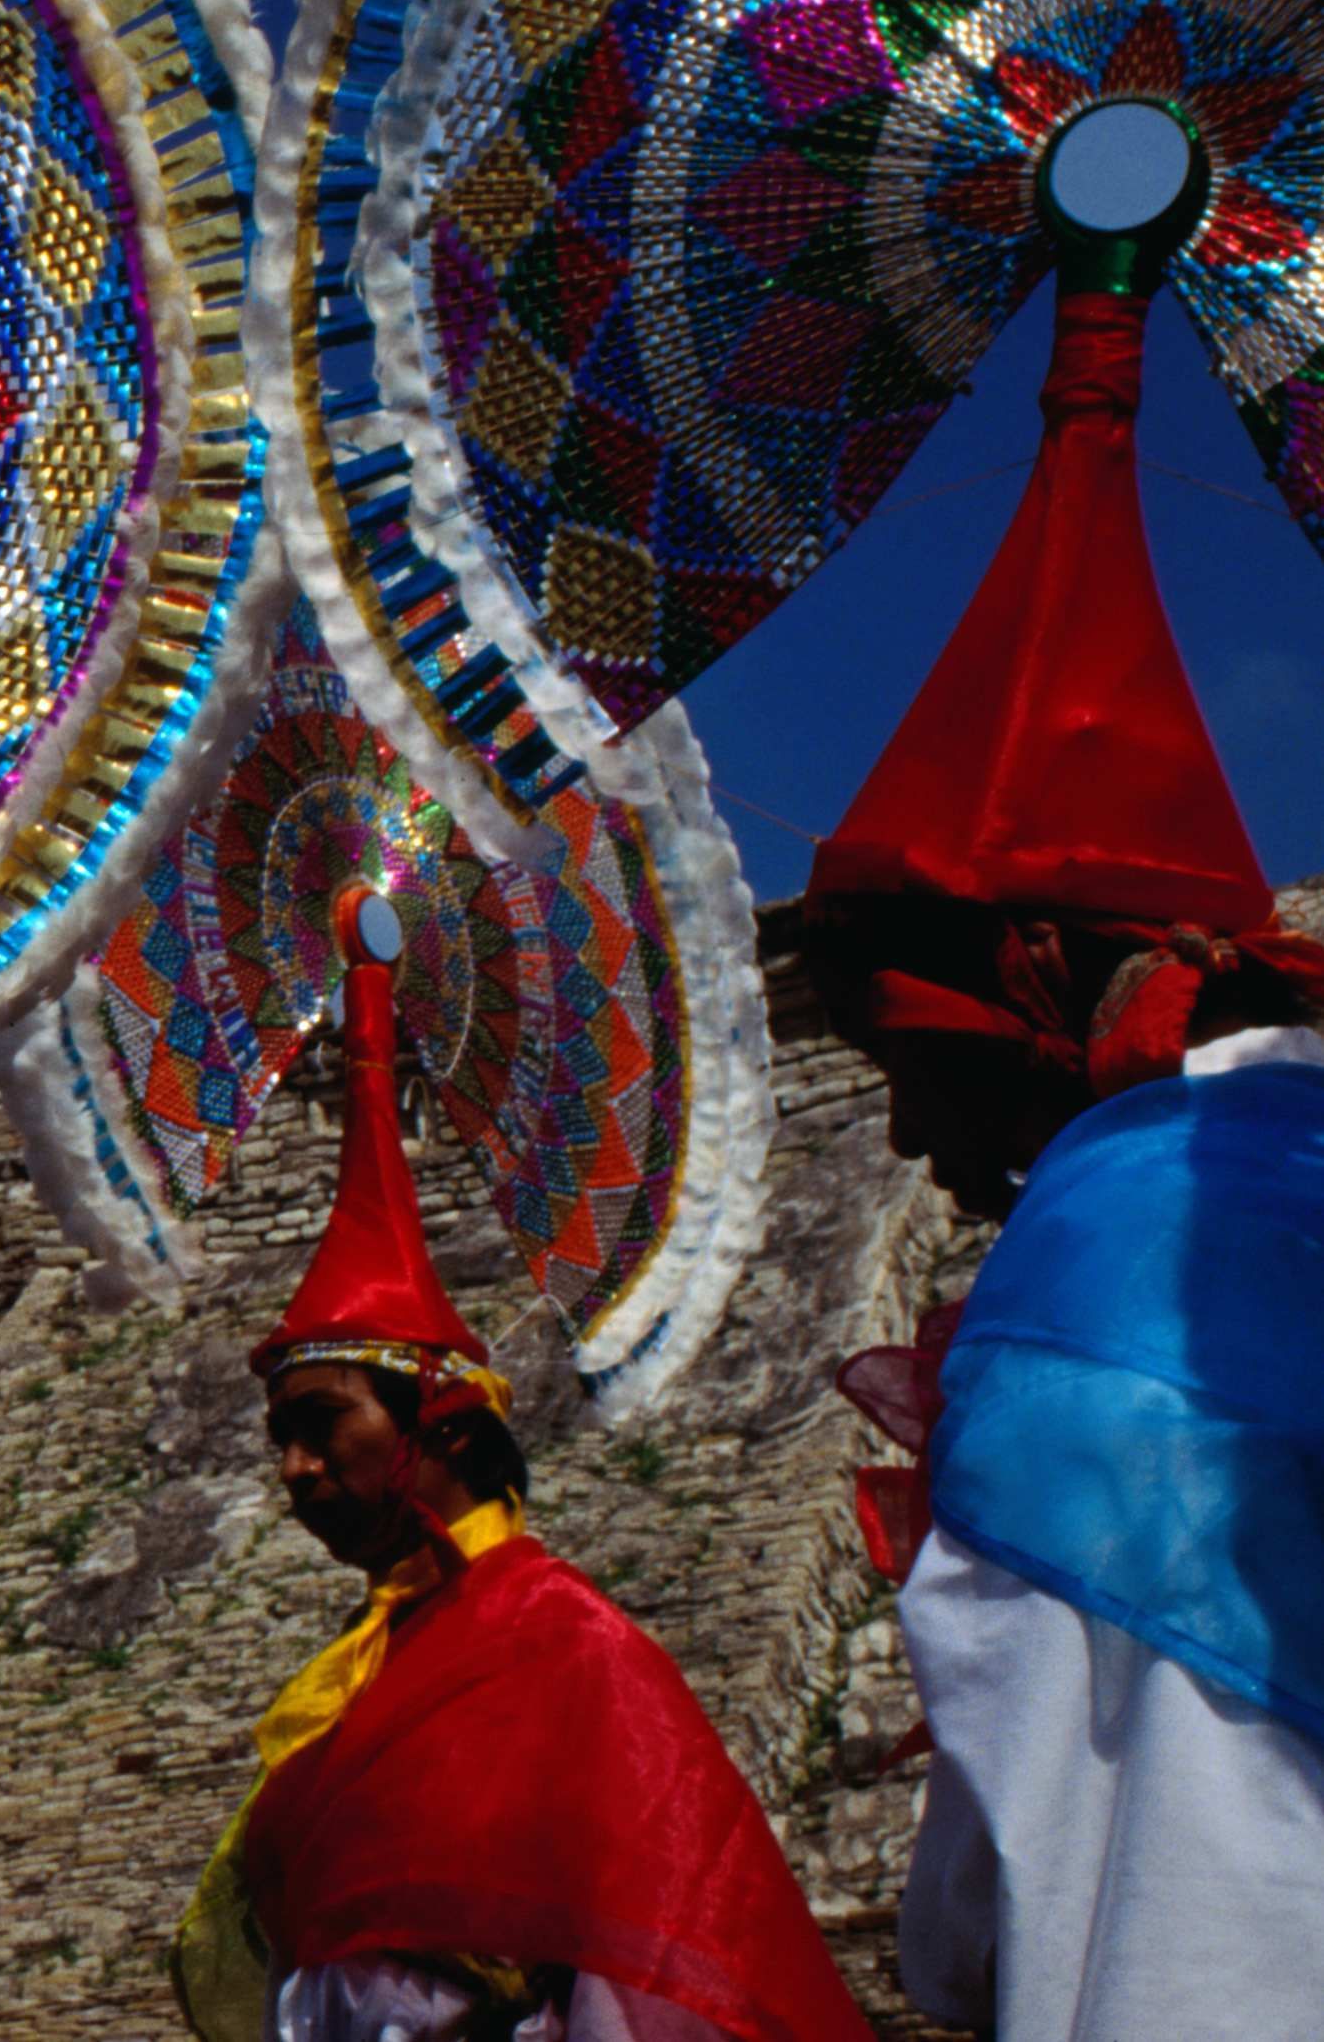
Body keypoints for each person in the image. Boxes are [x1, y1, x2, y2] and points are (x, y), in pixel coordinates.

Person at [804, 107, 1324, 2037]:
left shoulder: (1112, 1241)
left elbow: (996, 1898)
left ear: (1032, 983)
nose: (908, 1136)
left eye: (900, 1056)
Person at [169, 891, 865, 2042]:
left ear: (437, 1423)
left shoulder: (560, 1644)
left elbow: (642, 1972)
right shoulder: (376, 1660)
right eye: (274, 1438)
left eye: (317, 1423)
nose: (289, 1467)